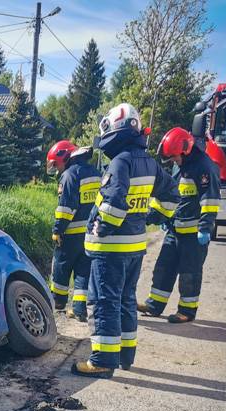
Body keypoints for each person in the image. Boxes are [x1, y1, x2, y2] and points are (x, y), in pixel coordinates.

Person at [71, 103, 180, 378]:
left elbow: (115, 201)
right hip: (134, 247)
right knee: (126, 300)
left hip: (111, 249)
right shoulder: (149, 162)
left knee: (104, 301)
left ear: (114, 130)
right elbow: (172, 196)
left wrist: (102, 226)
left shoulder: (120, 161)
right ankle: (125, 354)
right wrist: (152, 216)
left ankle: (103, 360)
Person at [137, 127, 221, 323]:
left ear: (185, 150)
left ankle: (187, 311)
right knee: (163, 268)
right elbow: (174, 195)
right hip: (175, 230)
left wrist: (205, 228)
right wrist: (164, 219)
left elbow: (210, 200)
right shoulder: (180, 166)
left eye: (174, 157)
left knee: (189, 273)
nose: (173, 161)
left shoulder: (204, 167)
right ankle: (154, 305)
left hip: (194, 235)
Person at [47, 140, 101, 322]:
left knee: (62, 267)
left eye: (57, 164)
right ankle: (79, 309)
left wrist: (57, 230)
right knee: (83, 270)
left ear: (65, 158)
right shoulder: (96, 173)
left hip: (71, 234)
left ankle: (59, 302)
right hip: (91, 232)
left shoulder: (69, 175)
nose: (57, 169)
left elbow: (66, 208)